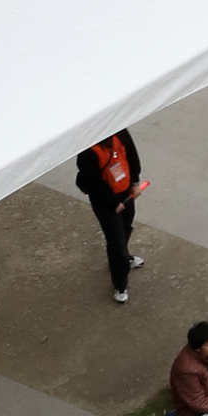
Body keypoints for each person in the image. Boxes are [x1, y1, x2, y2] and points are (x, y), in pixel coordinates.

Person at [74, 129, 145, 302]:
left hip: (126, 193)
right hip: (105, 201)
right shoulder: (87, 152)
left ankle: (123, 258)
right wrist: (113, 203)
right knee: (116, 240)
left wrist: (135, 182)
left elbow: (131, 156)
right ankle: (120, 284)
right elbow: (93, 182)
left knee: (126, 227)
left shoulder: (119, 133)